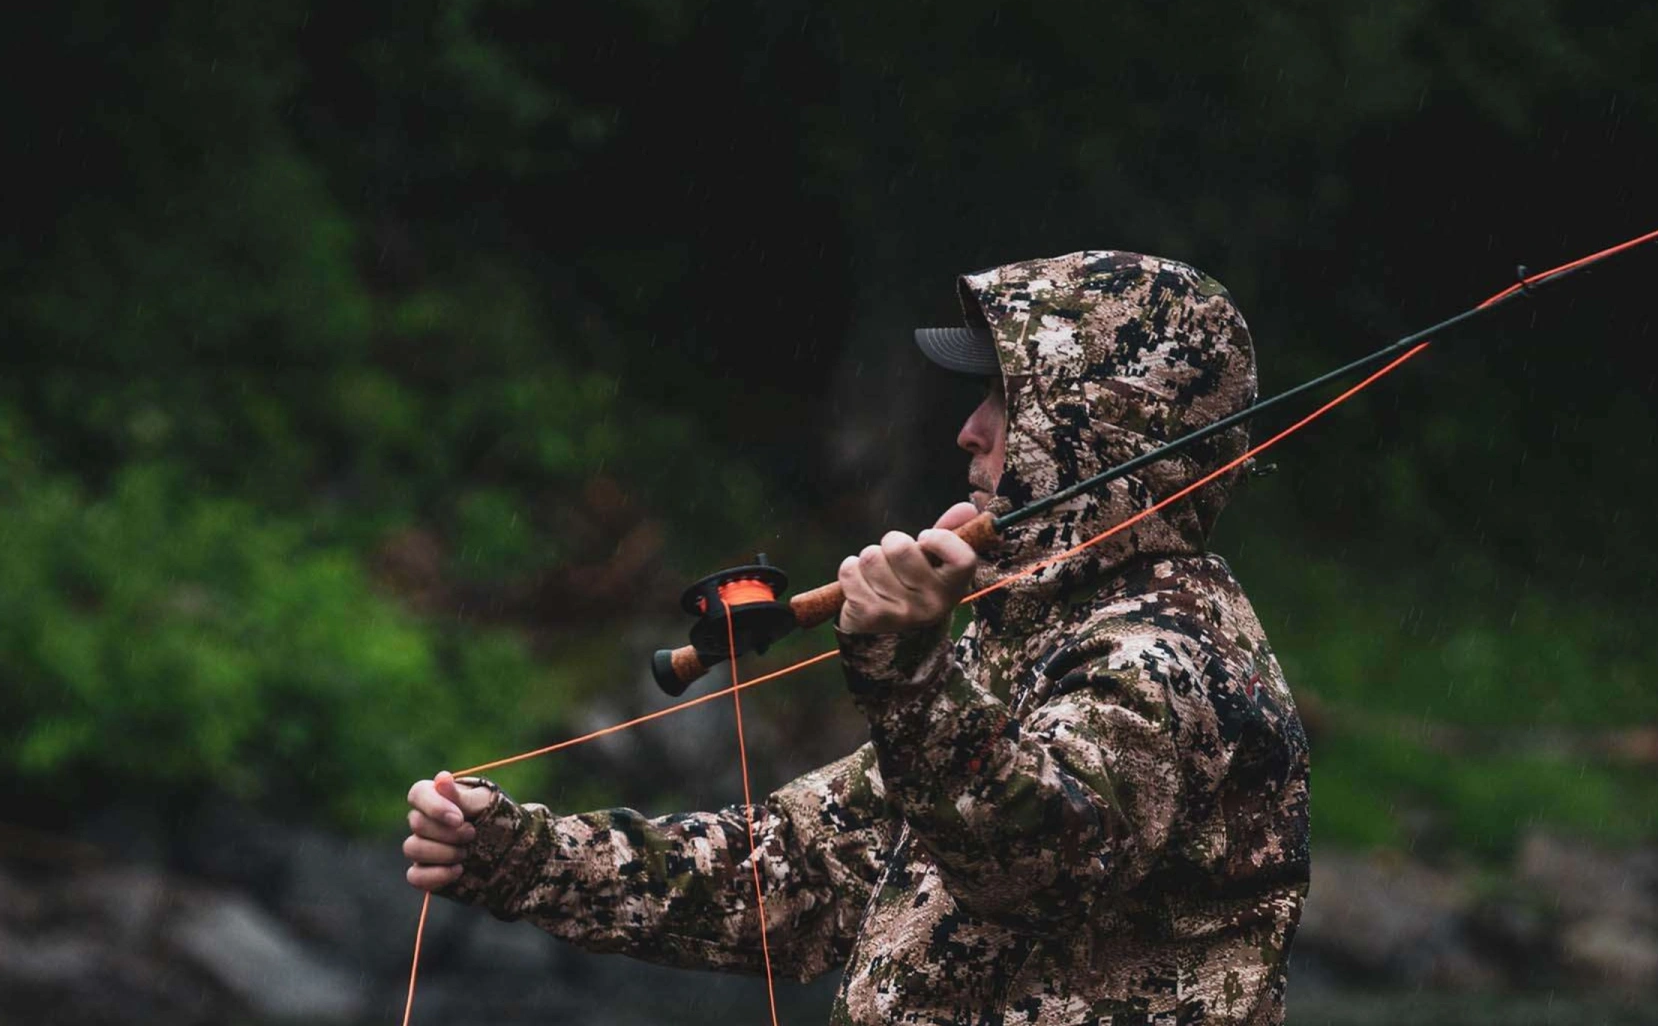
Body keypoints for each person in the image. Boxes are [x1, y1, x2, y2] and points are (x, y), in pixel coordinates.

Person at [403, 250, 1310, 1025]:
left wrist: (909, 671)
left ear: (1106, 433)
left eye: (1007, 399)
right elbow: (798, 874)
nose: (970, 431)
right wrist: (518, 857)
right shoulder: (1029, 637)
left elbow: (1038, 867)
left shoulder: (1170, 662)